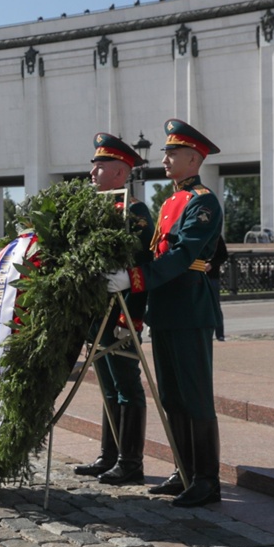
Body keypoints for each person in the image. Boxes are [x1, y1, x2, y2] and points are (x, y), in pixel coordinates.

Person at [106, 119, 223, 508]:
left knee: (195, 396)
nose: (166, 159)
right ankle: (184, 470)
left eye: (173, 153)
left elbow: (183, 254)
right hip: (168, 309)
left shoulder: (203, 200)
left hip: (190, 306)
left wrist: (135, 279)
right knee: (173, 396)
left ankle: (206, 478)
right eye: (166, 153)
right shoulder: (172, 200)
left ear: (194, 158)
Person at [74, 133, 155, 485]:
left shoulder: (134, 212)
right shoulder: (95, 210)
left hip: (120, 313)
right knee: (107, 385)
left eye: (100, 165)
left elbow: (137, 266)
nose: (92, 172)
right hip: (96, 313)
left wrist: (131, 318)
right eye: (93, 165)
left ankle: (130, 462)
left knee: (126, 386)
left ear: (121, 172)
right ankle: (109, 455)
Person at [205, 237, 229, 341]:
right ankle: (205, 333)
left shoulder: (216, 236)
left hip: (212, 276)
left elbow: (223, 255)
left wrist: (211, 264)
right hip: (196, 276)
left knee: (215, 305)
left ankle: (219, 334)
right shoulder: (194, 233)